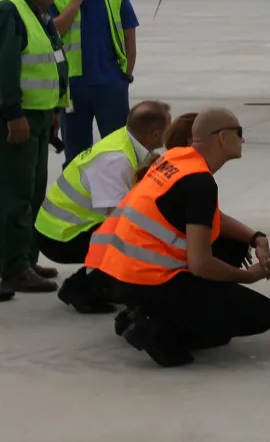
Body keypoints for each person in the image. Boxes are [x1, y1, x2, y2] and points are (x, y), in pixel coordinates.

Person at [93, 107, 270, 366]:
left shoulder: (180, 159)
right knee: (263, 314)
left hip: (123, 276)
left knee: (233, 247)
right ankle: (158, 331)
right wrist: (249, 276)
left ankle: (142, 313)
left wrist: (256, 238)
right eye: (239, 133)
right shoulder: (199, 183)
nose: (243, 140)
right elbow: (200, 264)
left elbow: (209, 217)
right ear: (223, 138)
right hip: (149, 281)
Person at [34, 100, 171, 313]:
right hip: (60, 237)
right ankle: (80, 288)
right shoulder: (115, 160)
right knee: (132, 238)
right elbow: (117, 219)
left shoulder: (125, 141)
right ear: (154, 135)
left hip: (66, 228)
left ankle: (102, 282)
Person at [1, 0, 70, 300]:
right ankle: (12, 268)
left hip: (41, 116)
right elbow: (5, 69)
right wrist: (13, 114)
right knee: (14, 196)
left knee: (33, 193)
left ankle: (26, 260)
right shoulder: (9, 11)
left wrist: (57, 108)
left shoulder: (41, 13)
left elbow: (53, 61)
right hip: (20, 118)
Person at [51, 0, 139, 163]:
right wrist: (75, 3)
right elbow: (52, 33)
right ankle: (77, 198)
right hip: (73, 86)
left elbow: (130, 40)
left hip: (110, 85)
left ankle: (119, 197)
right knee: (76, 155)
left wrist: (125, 77)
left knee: (119, 151)